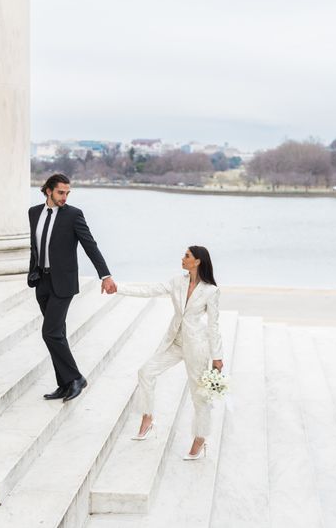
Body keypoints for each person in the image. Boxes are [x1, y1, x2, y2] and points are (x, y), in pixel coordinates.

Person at [105, 246, 223, 460]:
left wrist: (217, 357)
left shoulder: (211, 291)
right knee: (146, 372)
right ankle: (148, 418)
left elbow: (213, 326)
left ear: (197, 261)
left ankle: (200, 438)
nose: (182, 258)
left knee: (199, 396)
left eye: (187, 256)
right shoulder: (177, 282)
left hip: (196, 346)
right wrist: (118, 287)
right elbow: (149, 289)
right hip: (175, 342)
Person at [28, 173, 116, 402]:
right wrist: (33, 271)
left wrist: (105, 275)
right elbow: (35, 247)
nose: (64, 197)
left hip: (63, 283)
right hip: (42, 282)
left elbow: (90, 245)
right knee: (58, 334)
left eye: (67, 193)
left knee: (50, 332)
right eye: (60, 192)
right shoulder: (34, 213)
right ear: (48, 190)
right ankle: (65, 383)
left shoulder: (73, 215)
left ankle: (76, 378)